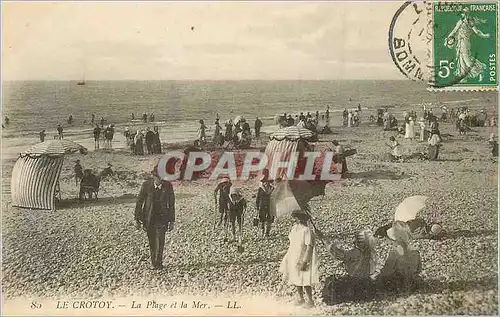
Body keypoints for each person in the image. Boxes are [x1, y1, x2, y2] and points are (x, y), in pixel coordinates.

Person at [318, 229, 377, 304]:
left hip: (356, 285)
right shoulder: (371, 252)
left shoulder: (353, 253)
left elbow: (336, 253)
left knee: (330, 281)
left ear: (357, 242)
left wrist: (324, 239)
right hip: (367, 285)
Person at [135, 166, 176, 270]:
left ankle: (159, 262)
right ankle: (154, 262)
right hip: (149, 218)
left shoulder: (168, 186)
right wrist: (137, 219)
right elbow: (139, 201)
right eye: (158, 177)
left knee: (161, 240)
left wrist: (172, 221)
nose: (160, 180)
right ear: (153, 176)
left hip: (162, 218)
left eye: (162, 177)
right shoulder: (146, 185)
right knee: (152, 241)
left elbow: (171, 204)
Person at [279, 209, 319, 308]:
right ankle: (301, 298)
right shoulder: (294, 228)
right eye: (297, 217)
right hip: (293, 255)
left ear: (305, 218)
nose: (298, 219)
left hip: (303, 256)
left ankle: (310, 300)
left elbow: (309, 246)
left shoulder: (307, 231)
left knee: (305, 279)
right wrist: (286, 252)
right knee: (296, 278)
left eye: (301, 217)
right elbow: (292, 243)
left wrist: (305, 260)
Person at [377, 221, 422, 292]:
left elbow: (386, 271)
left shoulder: (394, 253)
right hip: (412, 283)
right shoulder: (416, 252)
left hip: (398, 285)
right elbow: (419, 269)